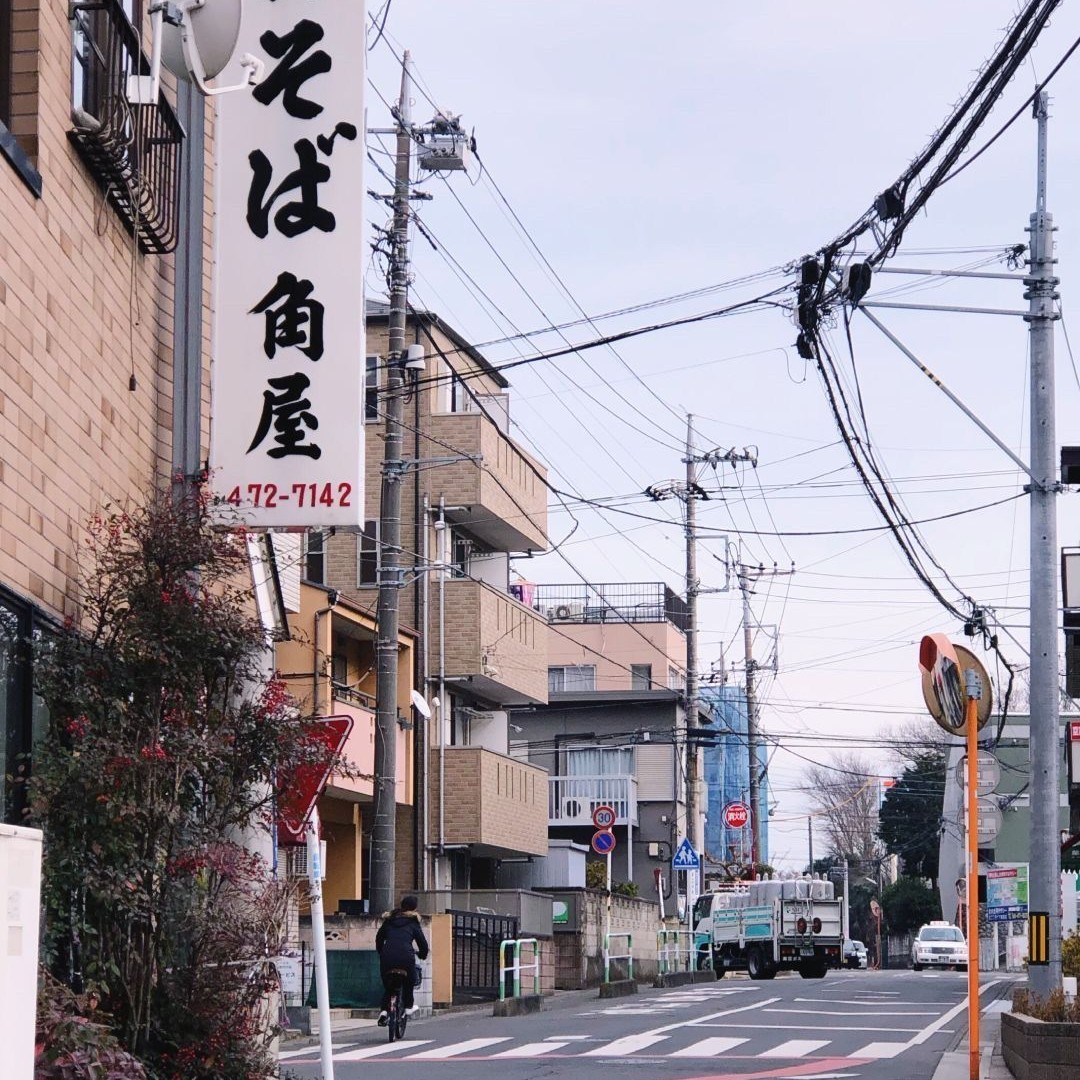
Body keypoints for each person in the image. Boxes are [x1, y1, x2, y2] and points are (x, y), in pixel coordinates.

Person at [375, 895, 429, 1023]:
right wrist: (422, 954)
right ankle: (408, 1006)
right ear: (414, 908)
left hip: (387, 956)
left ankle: (384, 1011)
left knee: (389, 986)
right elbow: (422, 943)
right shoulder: (413, 922)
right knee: (409, 981)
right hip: (406, 956)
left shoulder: (389, 920)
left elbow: (379, 938)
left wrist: (382, 952)